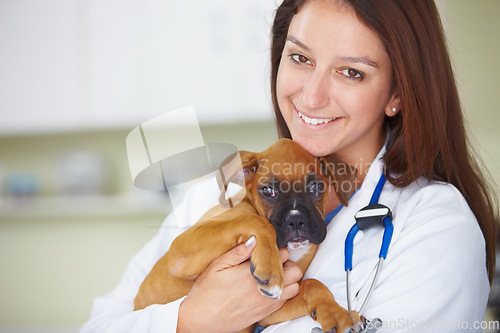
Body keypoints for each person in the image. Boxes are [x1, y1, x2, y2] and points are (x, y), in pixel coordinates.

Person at [81, 0, 499, 332]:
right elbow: (99, 326)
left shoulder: (437, 227)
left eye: (351, 72)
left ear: (397, 94)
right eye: (300, 59)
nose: (312, 96)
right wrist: (188, 322)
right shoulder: (220, 194)